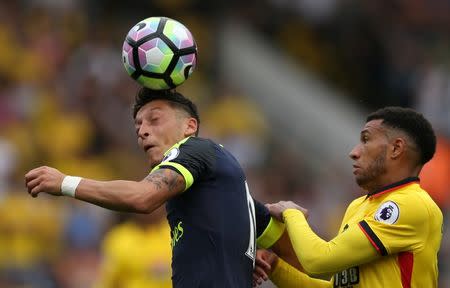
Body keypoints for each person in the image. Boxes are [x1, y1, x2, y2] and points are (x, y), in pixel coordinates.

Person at [25, 87, 287, 288]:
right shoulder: (132, 235)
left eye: (154, 120)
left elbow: (142, 197)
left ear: (190, 126)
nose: (141, 131)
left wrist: (65, 182)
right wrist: (250, 262)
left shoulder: (197, 151)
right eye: (138, 125)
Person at [254, 106, 443, 287]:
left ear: (396, 148)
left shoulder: (412, 203)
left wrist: (292, 213)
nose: (354, 152)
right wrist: (276, 267)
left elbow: (317, 260)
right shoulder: (358, 206)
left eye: (366, 139)